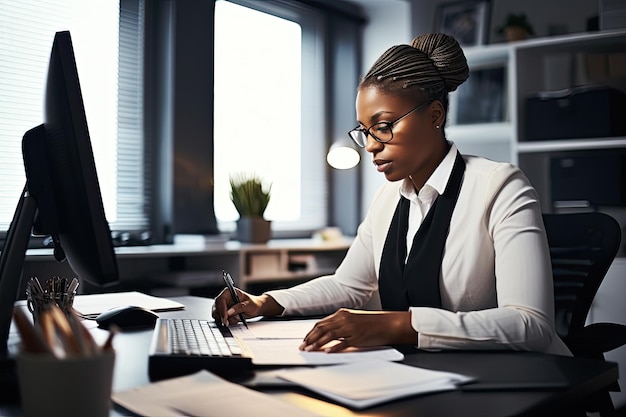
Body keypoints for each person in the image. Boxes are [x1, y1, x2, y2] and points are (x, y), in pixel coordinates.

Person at [213, 33, 572, 357]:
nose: (370, 145)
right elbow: (347, 285)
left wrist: (399, 325)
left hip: (517, 380)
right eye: (365, 131)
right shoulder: (389, 199)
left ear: (435, 115)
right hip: (428, 375)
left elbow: (532, 325)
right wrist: (264, 302)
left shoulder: (500, 186)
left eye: (383, 127)